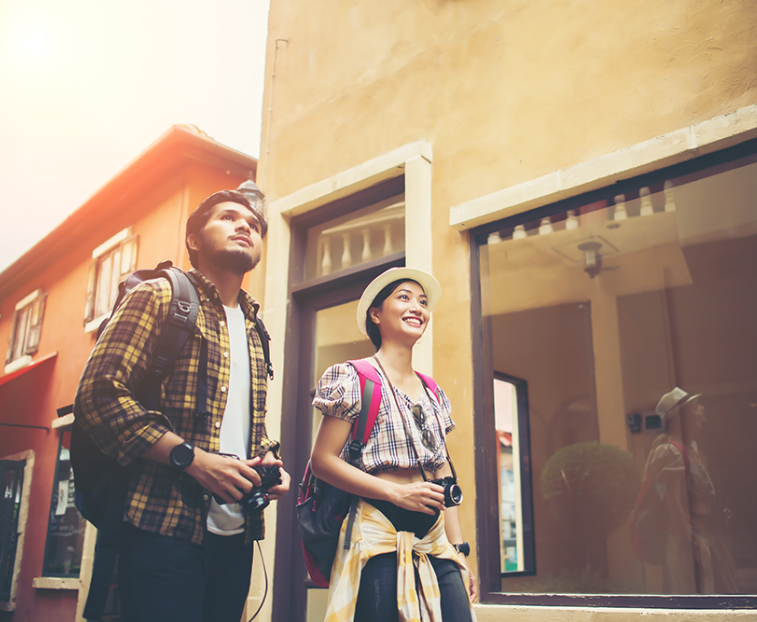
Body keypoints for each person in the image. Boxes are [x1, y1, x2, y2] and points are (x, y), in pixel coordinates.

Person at [75, 189, 291, 622]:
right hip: (162, 526)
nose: (245, 226)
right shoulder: (159, 296)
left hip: (237, 532)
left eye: (254, 224)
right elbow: (99, 395)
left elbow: (245, 422)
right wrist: (192, 460)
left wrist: (268, 457)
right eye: (228, 217)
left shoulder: (255, 329)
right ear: (193, 239)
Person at [310, 267, 478, 622]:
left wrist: (459, 549)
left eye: (422, 301)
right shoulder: (353, 377)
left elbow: (442, 471)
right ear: (376, 314)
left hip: (434, 539)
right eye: (404, 297)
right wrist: (395, 494)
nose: (417, 307)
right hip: (377, 533)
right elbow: (323, 460)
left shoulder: (434, 391)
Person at [642, 387, 739, 594]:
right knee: (698, 601)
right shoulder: (670, 451)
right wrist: (687, 546)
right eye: (696, 406)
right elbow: (673, 501)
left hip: (705, 535)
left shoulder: (693, 449)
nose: (702, 409)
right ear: (681, 417)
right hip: (689, 539)